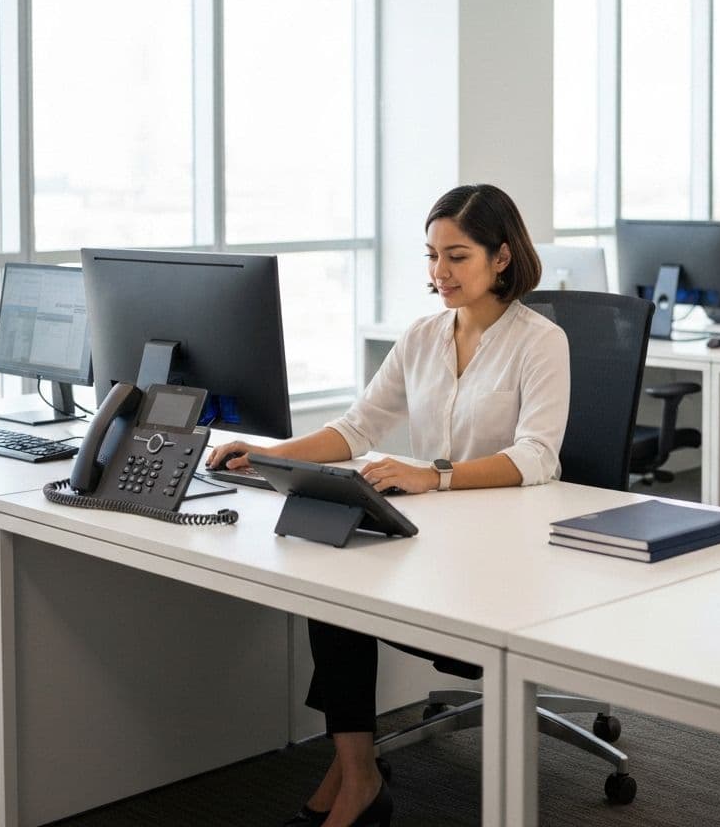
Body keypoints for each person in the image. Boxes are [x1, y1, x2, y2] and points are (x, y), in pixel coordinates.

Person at [208, 183, 570, 827]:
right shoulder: (423, 336)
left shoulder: (540, 341)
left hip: (505, 550)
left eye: (457, 257)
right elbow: (357, 428)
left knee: (344, 586)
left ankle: (353, 776)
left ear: (502, 257)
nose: (439, 273)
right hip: (434, 535)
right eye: (431, 256)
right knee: (329, 583)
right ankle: (357, 771)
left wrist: (434, 474)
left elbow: (538, 457)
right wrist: (267, 453)